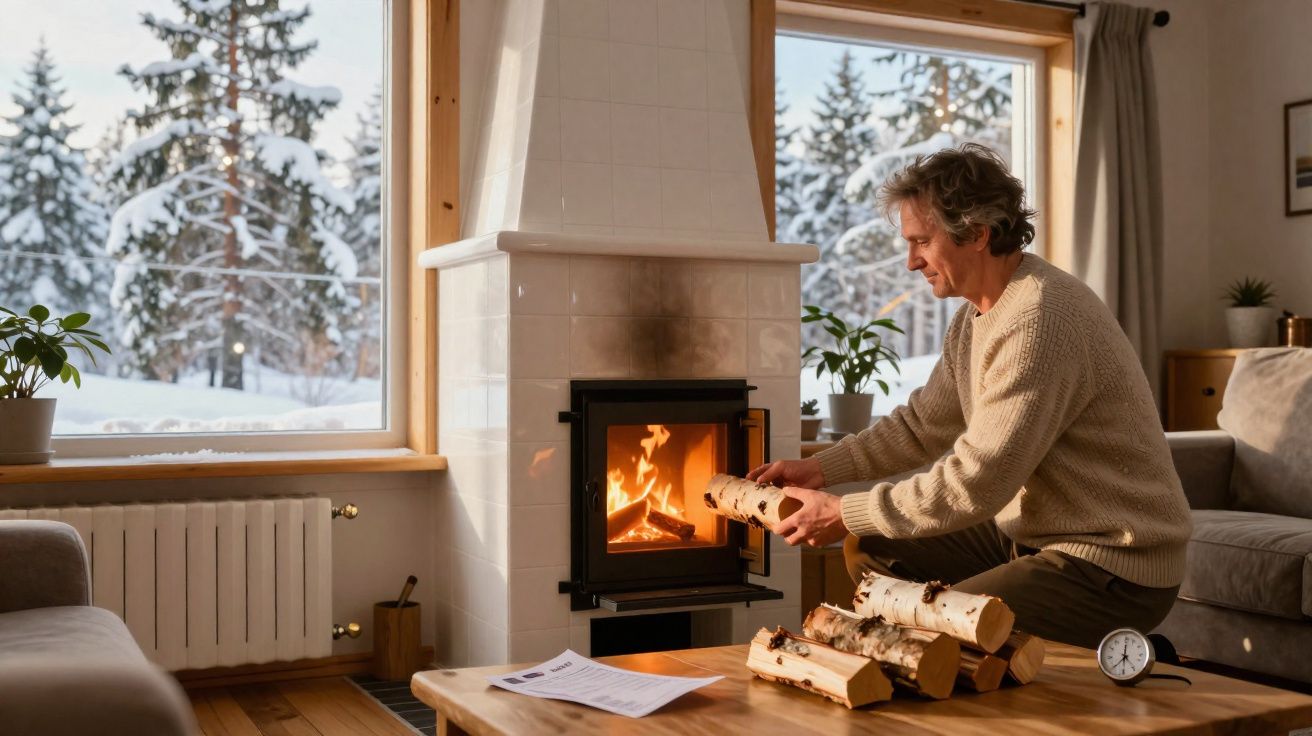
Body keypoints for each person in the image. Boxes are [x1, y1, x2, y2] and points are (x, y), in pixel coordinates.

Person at [751, 144, 1191, 649]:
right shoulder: (975, 316)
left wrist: (843, 510)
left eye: (922, 242)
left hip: (1111, 560)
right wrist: (820, 468)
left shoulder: (1040, 319)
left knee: (942, 626)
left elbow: (976, 482)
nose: (911, 262)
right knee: (872, 550)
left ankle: (966, 658)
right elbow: (923, 424)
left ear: (978, 233)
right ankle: (964, 662)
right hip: (1033, 534)